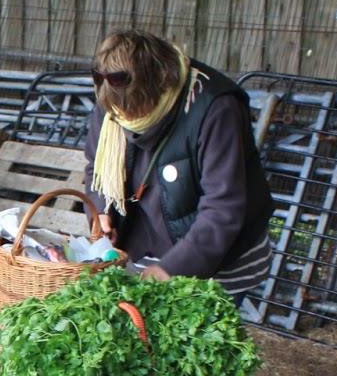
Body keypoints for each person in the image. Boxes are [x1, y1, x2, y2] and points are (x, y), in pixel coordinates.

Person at [82, 29, 273, 304]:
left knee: (197, 340)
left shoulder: (216, 108)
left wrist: (169, 269)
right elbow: (96, 170)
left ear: (161, 85)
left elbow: (223, 208)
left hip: (218, 257)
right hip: (144, 245)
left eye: (135, 111)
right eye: (117, 114)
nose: (124, 119)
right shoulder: (112, 94)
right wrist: (101, 211)